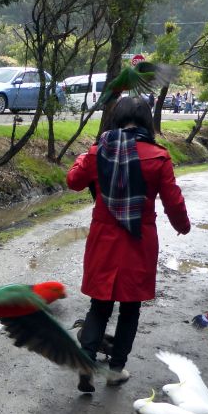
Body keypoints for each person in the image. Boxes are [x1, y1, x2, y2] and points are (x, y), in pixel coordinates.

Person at [66, 96, 191, 395]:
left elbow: (73, 180)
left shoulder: (100, 152)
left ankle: (86, 362)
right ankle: (115, 370)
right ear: (147, 121)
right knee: (130, 309)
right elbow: (173, 200)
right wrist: (182, 226)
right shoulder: (158, 156)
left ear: (115, 118)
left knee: (99, 305)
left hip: (104, 239)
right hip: (139, 240)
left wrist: (86, 155)